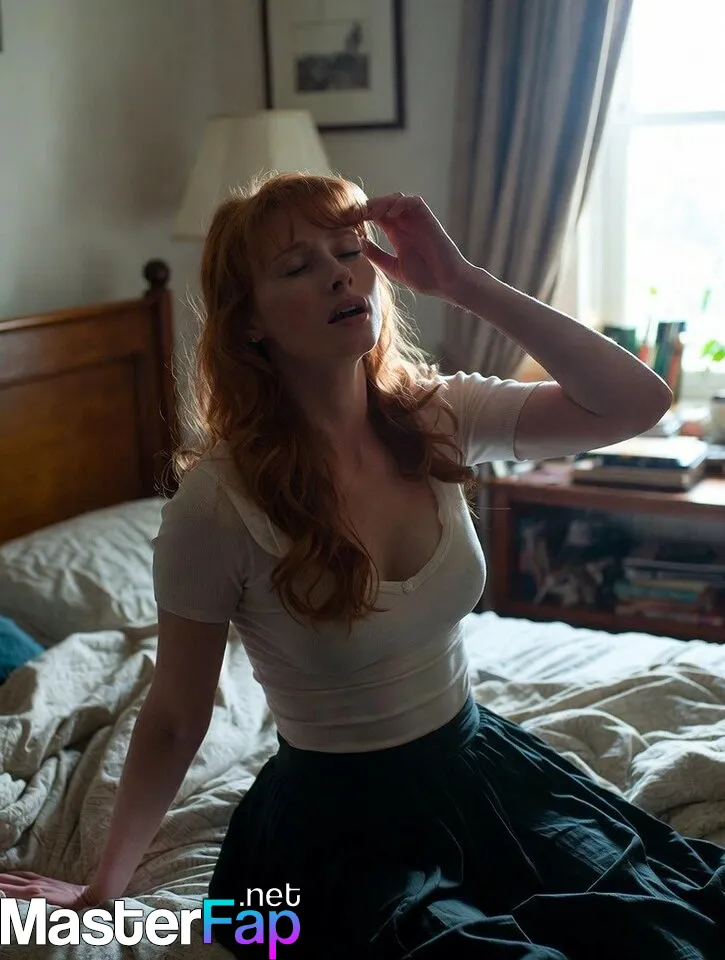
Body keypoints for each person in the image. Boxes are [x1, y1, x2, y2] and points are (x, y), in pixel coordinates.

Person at [1, 172, 723, 959]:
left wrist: (462, 282)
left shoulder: (435, 415)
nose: (339, 275)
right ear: (249, 323)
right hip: (337, 831)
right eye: (296, 266)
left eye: (348, 251)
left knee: (670, 926)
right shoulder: (216, 506)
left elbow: (634, 403)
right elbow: (176, 717)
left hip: (477, 768)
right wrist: (102, 892)